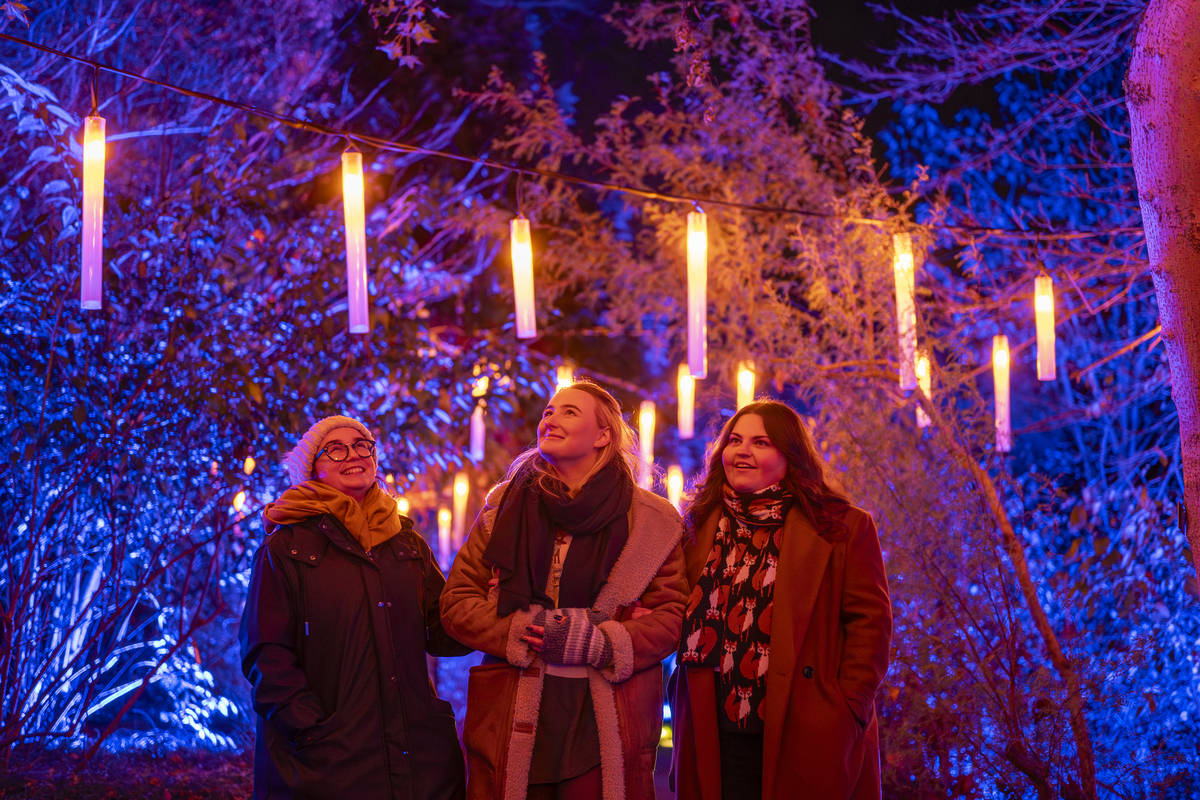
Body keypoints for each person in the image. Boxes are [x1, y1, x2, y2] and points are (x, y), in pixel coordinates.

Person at [440, 381, 688, 800]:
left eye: (569, 412)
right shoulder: (504, 506)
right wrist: (524, 630)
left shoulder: (652, 520)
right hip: (513, 705)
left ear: (603, 435)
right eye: (548, 412)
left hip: (607, 714)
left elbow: (672, 616)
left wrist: (602, 641)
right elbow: (457, 602)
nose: (550, 418)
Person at [670, 401, 892, 800]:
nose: (742, 451)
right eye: (735, 440)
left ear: (790, 456)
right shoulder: (699, 521)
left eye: (760, 442)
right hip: (712, 723)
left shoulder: (843, 526)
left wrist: (848, 708)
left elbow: (870, 625)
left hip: (806, 724)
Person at [240, 414, 468, 800]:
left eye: (363, 445)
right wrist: (309, 728)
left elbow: (444, 632)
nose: (354, 455)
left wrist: (483, 594)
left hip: (416, 757)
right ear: (314, 469)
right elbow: (266, 652)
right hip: (328, 758)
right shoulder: (287, 548)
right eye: (336, 449)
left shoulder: (405, 544)